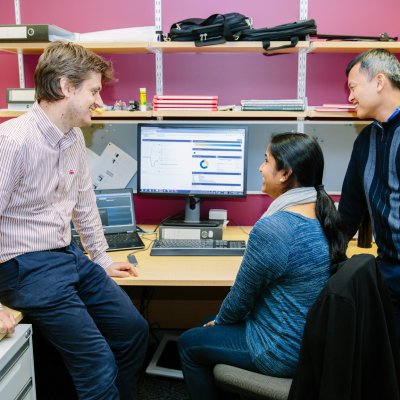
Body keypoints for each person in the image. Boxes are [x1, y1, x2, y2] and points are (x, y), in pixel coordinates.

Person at [0, 41, 148, 400]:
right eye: (94, 91)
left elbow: (84, 204)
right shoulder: (12, 141)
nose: (100, 101)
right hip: (24, 266)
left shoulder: (73, 138)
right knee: (97, 364)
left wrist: (101, 259)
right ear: (66, 87)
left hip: (67, 256)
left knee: (134, 330)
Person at [179, 133, 347, 400]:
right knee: (205, 326)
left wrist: (220, 321)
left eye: (266, 160)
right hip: (307, 341)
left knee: (188, 343)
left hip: (279, 349)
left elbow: (240, 300)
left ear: (285, 173)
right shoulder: (321, 211)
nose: (260, 167)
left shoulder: (275, 228)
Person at [339, 48, 400, 336]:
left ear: (379, 81)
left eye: (353, 87)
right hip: (387, 270)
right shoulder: (366, 139)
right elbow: (349, 213)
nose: (350, 97)